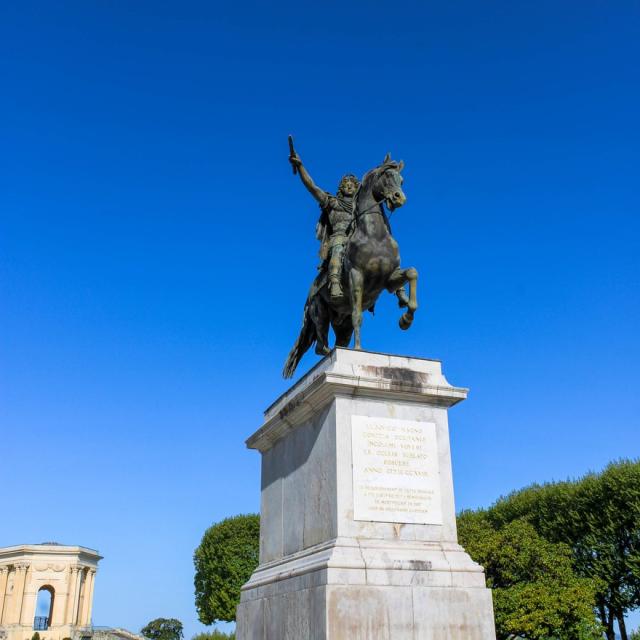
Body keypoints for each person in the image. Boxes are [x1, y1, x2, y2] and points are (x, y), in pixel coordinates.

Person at [289, 151, 359, 299]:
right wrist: (300, 167)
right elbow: (312, 187)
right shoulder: (332, 203)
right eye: (346, 185)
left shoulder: (359, 209)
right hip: (338, 237)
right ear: (341, 188)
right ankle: (334, 282)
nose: (349, 187)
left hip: (356, 239)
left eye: (352, 185)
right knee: (339, 246)